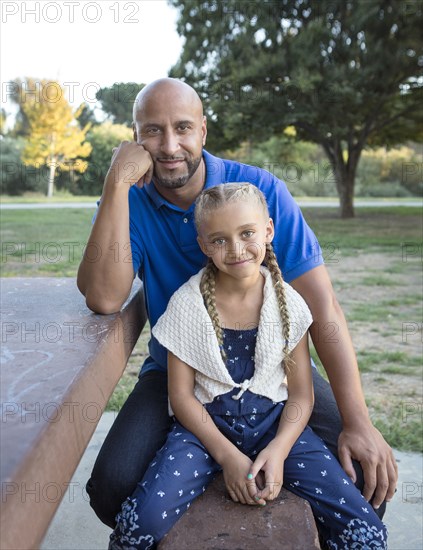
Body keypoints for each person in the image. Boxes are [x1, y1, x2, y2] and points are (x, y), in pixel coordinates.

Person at [77, 77, 397, 530]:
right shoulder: (128, 201)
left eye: (183, 127)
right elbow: (104, 297)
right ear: (135, 138)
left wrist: (358, 420)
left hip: (272, 370)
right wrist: (115, 183)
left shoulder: (258, 191)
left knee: (364, 477)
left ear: (203, 131)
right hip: (179, 371)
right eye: (152, 131)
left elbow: (323, 307)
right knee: (111, 486)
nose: (169, 145)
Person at [108, 183, 388, 549]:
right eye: (220, 240)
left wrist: (280, 450)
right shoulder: (187, 306)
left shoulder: (288, 304)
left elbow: (301, 395)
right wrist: (228, 457)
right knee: (141, 520)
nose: (237, 249)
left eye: (247, 234)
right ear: (204, 244)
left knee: (362, 524)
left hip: (276, 426)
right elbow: (181, 398)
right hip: (203, 434)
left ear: (268, 231)